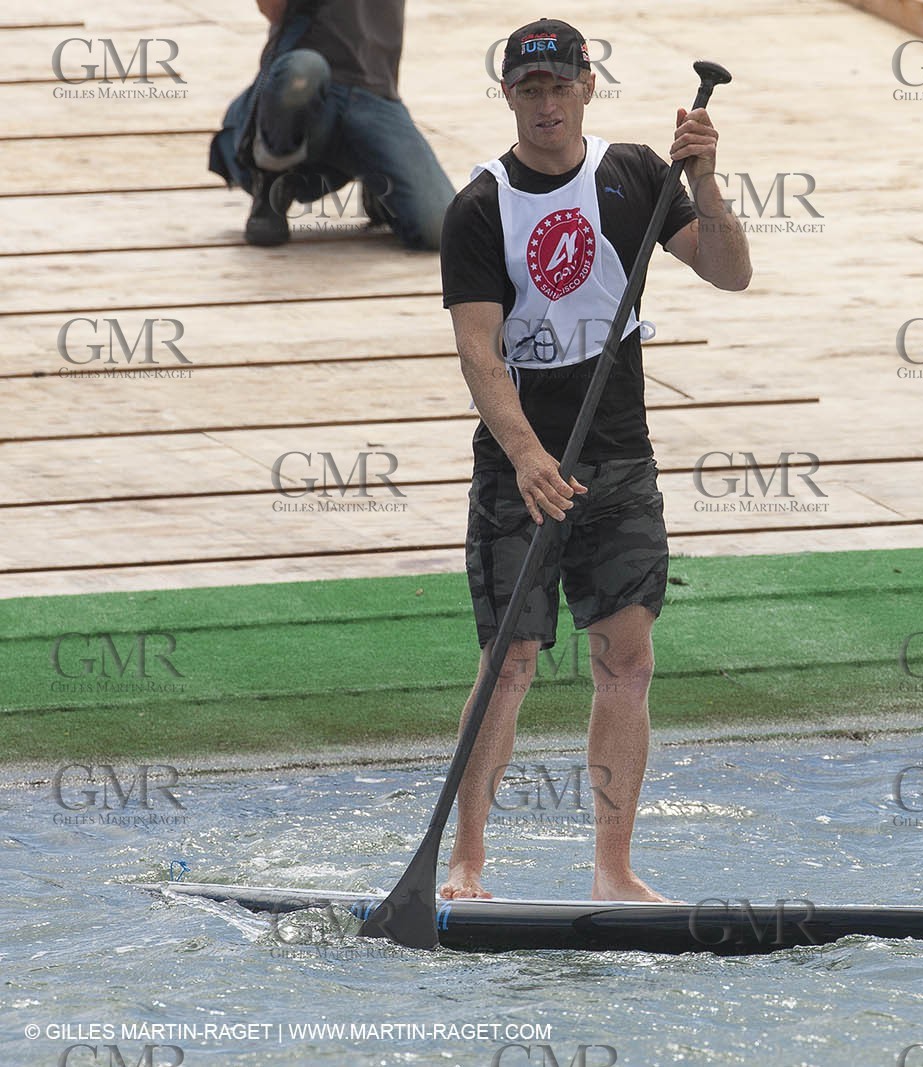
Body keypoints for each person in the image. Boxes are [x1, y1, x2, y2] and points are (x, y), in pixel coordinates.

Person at [437, 19, 751, 901]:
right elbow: (478, 350)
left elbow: (730, 273)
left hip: (619, 454)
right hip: (521, 465)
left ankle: (613, 870)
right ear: (508, 96)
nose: (546, 104)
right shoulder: (479, 207)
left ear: (587, 87)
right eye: (528, 89)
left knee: (627, 658)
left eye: (559, 86)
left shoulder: (639, 177)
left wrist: (707, 185)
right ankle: (465, 861)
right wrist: (529, 455)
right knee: (512, 661)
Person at [207, 0, 455, 249]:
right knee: (302, 72)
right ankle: (272, 182)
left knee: (442, 230)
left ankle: (379, 184)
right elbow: (272, 11)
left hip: (373, 91)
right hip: (309, 82)